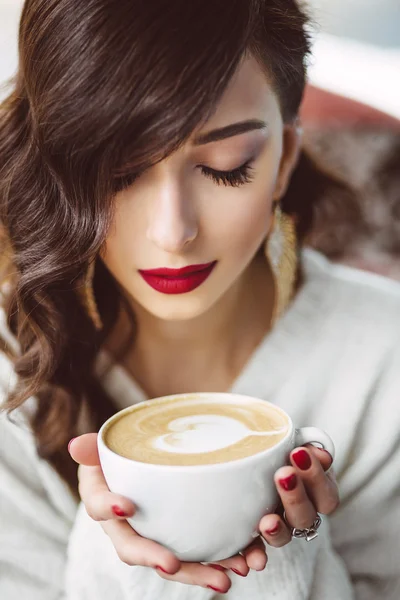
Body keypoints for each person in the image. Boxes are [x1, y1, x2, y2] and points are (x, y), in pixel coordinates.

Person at [0, 1, 399, 599]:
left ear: (284, 160)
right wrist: (119, 551)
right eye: (117, 174)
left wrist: (284, 556)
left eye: (226, 168)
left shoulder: (384, 357)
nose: (172, 231)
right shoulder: (12, 372)